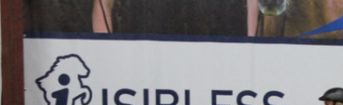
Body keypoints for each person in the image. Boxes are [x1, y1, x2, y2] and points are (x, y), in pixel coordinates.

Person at [92, 0, 254, 36]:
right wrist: (107, 54)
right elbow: (103, 4)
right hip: (147, 64)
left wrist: (249, 48)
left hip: (216, 58)